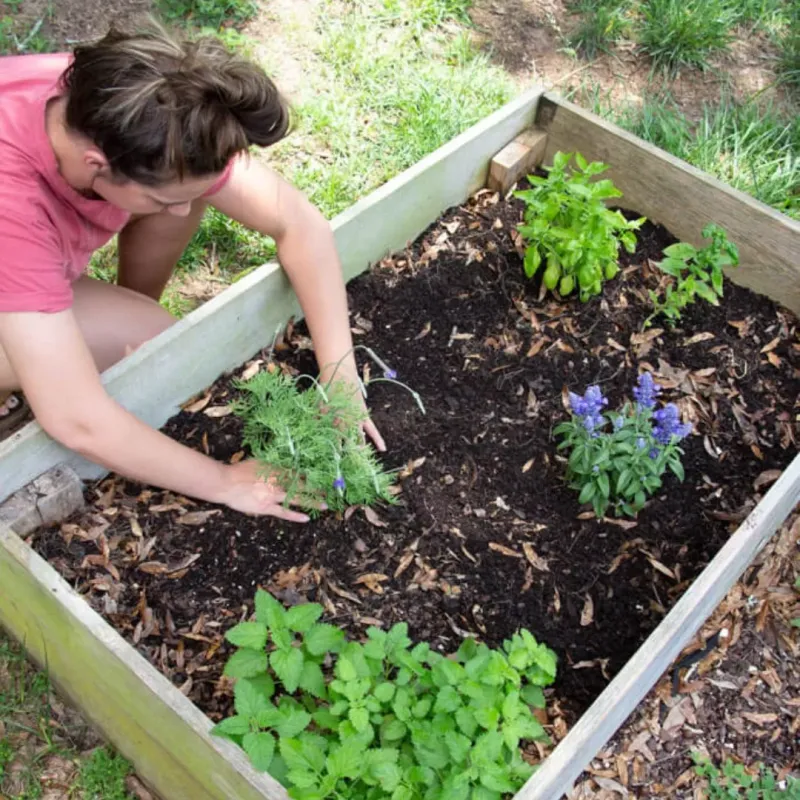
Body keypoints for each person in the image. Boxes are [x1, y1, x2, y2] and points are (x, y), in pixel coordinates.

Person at [0, 19, 385, 521]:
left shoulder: (139, 108)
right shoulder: (14, 204)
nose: (180, 213)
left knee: (152, 346)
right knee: (128, 352)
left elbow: (299, 224)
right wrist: (225, 481)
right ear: (97, 163)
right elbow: (75, 420)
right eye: (163, 198)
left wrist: (339, 375)